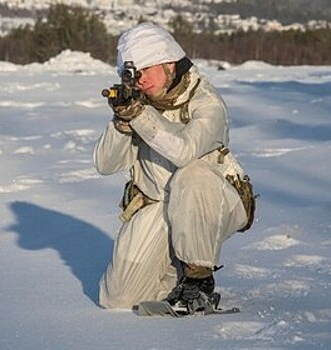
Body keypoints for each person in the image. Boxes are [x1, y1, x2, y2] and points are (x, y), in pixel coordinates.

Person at [94, 22, 255, 314]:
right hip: (159, 204)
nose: (138, 81)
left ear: (168, 63)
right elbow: (105, 165)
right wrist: (121, 124)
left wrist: (140, 116)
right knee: (115, 299)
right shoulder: (137, 103)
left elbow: (184, 151)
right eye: (131, 75)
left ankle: (198, 280)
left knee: (190, 176)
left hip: (215, 200)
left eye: (144, 71)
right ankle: (174, 273)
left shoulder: (206, 101)